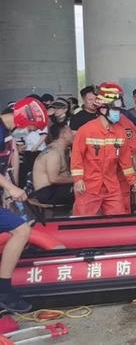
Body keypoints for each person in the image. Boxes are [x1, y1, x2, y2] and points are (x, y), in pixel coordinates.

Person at [0, 97, 47, 312]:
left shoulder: (6, 134)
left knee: (20, 229)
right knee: (20, 230)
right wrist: (11, 188)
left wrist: (6, 192)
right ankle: (4, 290)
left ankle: (5, 289)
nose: (28, 132)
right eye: (29, 127)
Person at [71, 82, 136, 216]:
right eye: (114, 110)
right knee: (82, 224)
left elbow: (126, 161)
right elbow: (76, 156)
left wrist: (132, 179)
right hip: (88, 187)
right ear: (102, 109)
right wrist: (78, 179)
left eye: (119, 111)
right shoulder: (86, 130)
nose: (118, 114)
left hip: (111, 185)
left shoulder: (120, 132)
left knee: (118, 220)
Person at [31, 123, 74, 207]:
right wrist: (77, 179)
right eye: (70, 132)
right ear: (63, 135)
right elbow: (53, 179)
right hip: (47, 192)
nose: (73, 134)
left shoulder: (60, 150)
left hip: (54, 189)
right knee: (83, 190)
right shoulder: (53, 153)